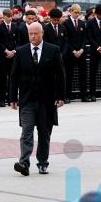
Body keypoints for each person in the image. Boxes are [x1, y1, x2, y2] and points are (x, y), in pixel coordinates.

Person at [10, 22, 66, 176]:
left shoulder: (52, 50)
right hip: (27, 99)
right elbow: (14, 76)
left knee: (44, 133)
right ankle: (24, 163)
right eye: (30, 34)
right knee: (26, 131)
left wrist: (60, 96)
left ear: (42, 33)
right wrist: (13, 97)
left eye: (35, 33)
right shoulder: (21, 52)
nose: (33, 36)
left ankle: (42, 163)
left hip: (47, 100)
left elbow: (60, 75)